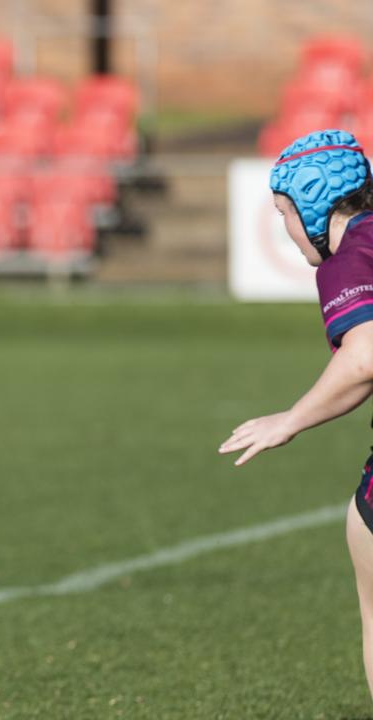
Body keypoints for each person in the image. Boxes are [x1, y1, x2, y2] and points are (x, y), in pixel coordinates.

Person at [218, 128, 373, 700]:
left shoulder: (354, 254)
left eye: (285, 212)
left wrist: (290, 419)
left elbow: (365, 357)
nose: (285, 231)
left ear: (312, 203)